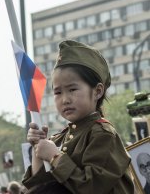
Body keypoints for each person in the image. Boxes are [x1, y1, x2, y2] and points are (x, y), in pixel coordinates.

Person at [22, 40, 134, 194]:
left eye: (72, 89)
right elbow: (39, 187)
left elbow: (92, 187)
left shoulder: (102, 134)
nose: (65, 99)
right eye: (58, 92)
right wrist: (38, 148)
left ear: (98, 91)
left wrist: (54, 156)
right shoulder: (58, 139)